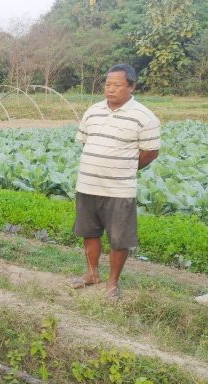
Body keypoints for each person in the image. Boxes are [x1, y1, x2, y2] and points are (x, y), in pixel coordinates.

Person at [70, 64, 160, 298]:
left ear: (131, 86)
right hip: (88, 184)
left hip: (119, 188)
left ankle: (112, 283)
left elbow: (150, 152)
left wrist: (126, 166)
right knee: (89, 232)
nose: (111, 89)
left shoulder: (144, 117)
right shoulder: (92, 111)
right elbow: (85, 141)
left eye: (117, 85)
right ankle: (92, 273)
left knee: (119, 239)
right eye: (108, 84)